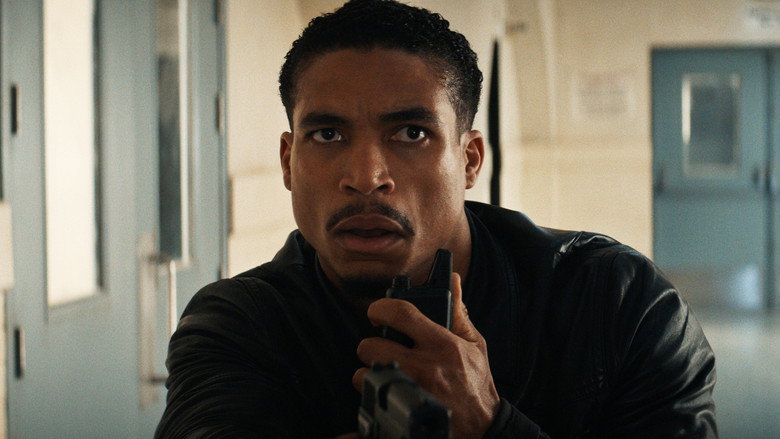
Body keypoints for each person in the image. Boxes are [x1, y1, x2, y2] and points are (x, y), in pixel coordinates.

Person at [155, 0, 717, 438]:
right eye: (327, 134)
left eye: (411, 133)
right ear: (288, 161)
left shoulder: (617, 304)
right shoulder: (237, 325)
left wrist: (492, 426)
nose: (366, 176)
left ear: (469, 160)